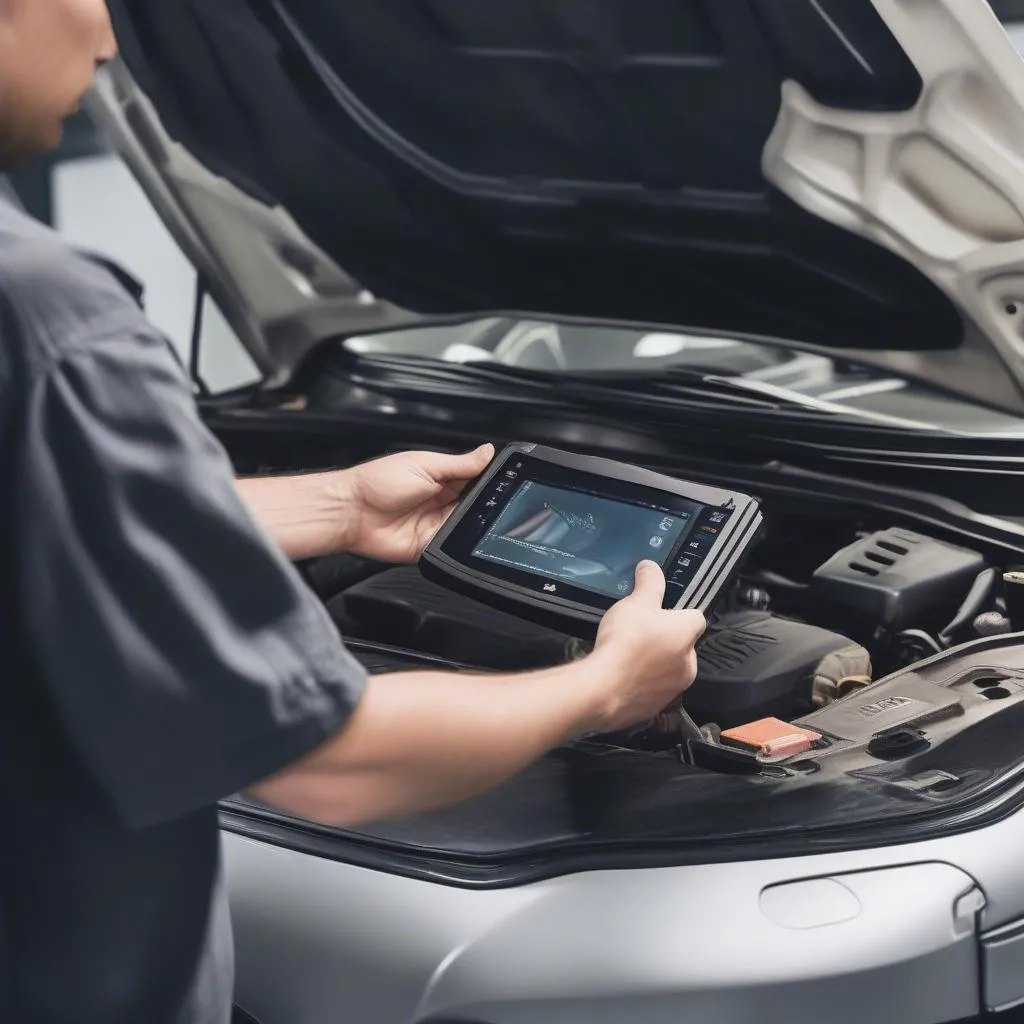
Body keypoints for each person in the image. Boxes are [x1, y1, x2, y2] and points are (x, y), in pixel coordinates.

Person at [0, 2, 707, 1022]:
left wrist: (336, 503)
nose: (110, 38)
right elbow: (331, 765)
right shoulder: (51, 320)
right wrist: (607, 685)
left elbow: (42, 529)